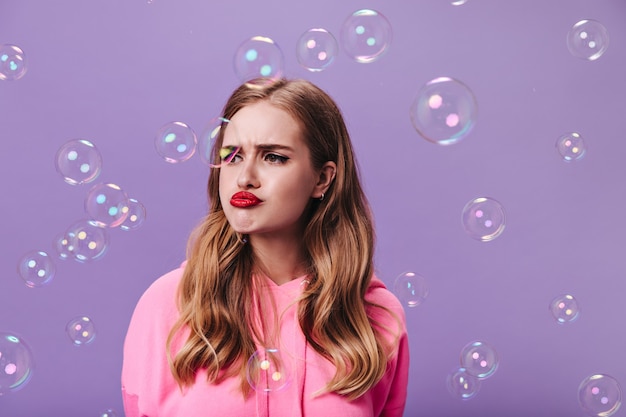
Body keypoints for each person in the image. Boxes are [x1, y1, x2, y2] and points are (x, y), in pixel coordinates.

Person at [121, 78, 409, 417]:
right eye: (232, 156)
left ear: (322, 179)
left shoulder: (375, 315)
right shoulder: (168, 305)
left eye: (273, 157)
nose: (245, 177)